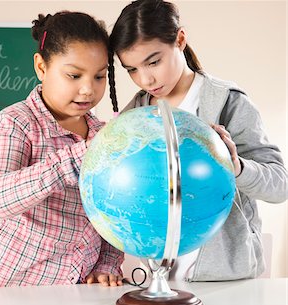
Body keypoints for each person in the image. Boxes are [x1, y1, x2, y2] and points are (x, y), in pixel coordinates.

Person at [108, 0, 288, 281]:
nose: (145, 79)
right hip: (151, 282)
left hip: (224, 282)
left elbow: (280, 185)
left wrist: (236, 166)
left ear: (180, 40)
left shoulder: (228, 102)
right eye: (131, 69)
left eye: (153, 61)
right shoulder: (133, 116)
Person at [0, 11, 124, 288]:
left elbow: (113, 211)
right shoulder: (16, 122)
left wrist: (107, 263)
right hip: (10, 287)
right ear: (41, 67)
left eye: (100, 76)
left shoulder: (104, 136)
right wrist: (73, 161)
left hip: (74, 288)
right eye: (74, 75)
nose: (88, 89)